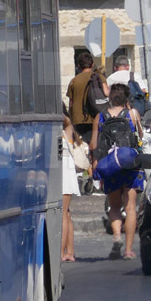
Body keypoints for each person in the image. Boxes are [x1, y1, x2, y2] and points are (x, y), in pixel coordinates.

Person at [91, 83, 145, 259]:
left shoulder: (100, 117)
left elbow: (93, 144)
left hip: (110, 164)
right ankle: (129, 250)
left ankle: (116, 236)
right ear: (126, 98)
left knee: (114, 206)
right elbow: (141, 136)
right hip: (129, 164)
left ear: (110, 98)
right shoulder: (132, 114)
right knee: (130, 207)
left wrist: (95, 163)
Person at [61, 110, 85, 262]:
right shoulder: (65, 132)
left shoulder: (66, 129)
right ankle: (70, 251)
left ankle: (61, 252)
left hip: (64, 173)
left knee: (63, 214)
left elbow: (67, 121)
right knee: (67, 214)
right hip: (65, 172)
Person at [65, 52, 106, 142]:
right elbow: (106, 95)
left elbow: (71, 103)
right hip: (97, 117)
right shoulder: (99, 77)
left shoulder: (74, 81)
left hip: (78, 119)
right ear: (92, 64)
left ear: (79, 66)